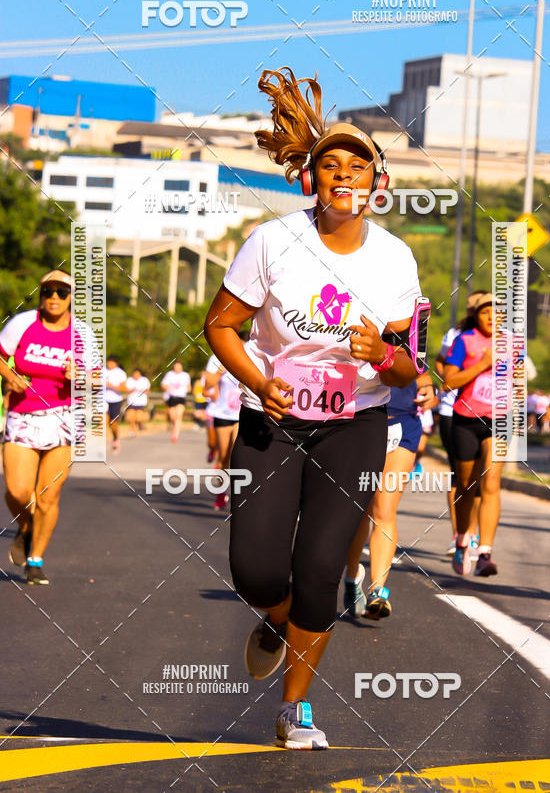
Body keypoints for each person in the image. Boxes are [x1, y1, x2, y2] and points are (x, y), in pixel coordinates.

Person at [204, 67, 422, 750]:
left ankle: (294, 708)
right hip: (273, 418)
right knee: (256, 570)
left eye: (359, 166)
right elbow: (220, 325)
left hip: (355, 423)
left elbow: (412, 368)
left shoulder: (394, 259)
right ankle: (275, 618)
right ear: (312, 179)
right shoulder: (274, 241)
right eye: (332, 165)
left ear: (376, 183)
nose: (345, 176)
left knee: (322, 570)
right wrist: (256, 381)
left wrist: (382, 356)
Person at [0, 269, 100, 585]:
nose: (54, 297)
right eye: (48, 291)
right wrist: (10, 376)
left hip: (64, 419)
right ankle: (25, 525)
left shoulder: (82, 333)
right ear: (41, 294)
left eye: (61, 291)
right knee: (17, 491)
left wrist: (80, 376)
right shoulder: (23, 323)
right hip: (22, 415)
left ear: (71, 297)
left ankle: (35, 561)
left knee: (47, 496)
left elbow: (98, 378)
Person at [344, 373, 437, 619]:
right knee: (361, 510)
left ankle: (377, 590)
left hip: (403, 423)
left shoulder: (412, 333)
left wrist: (428, 389)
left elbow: (422, 370)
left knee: (384, 510)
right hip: (358, 420)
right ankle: (352, 576)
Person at [443, 292, 506, 578]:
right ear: (476, 316)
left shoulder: (512, 344)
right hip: (466, 420)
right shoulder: (463, 341)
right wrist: (482, 363)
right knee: (467, 485)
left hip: (499, 421)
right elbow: (448, 382)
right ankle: (461, 539)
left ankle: (485, 553)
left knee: (491, 482)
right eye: (485, 312)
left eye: (497, 312)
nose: (492, 317)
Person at [435, 291, 487, 556]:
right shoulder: (455, 335)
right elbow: (441, 363)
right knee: (461, 475)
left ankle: (475, 534)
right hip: (452, 410)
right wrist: (454, 383)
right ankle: (459, 533)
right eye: (473, 306)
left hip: (489, 413)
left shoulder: (502, 337)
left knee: (484, 478)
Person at [203, 334, 247, 510]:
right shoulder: (217, 358)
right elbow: (207, 385)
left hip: (241, 414)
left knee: (238, 456)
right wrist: (222, 368)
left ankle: (238, 498)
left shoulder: (250, 356)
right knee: (224, 457)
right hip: (222, 414)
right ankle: (221, 492)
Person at [161, 360, 191, 442]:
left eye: (179, 366)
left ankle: (176, 435)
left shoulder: (186, 375)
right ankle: (173, 429)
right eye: (176, 366)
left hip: (181, 398)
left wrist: (185, 390)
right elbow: (163, 385)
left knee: (179, 415)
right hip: (171, 398)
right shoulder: (169, 374)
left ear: (181, 367)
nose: (177, 368)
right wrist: (169, 388)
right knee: (173, 417)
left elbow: (189, 388)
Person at [105, 356, 127, 453]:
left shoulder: (121, 373)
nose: (109, 364)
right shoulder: (102, 370)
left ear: (116, 363)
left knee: (113, 423)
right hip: (102, 399)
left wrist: (111, 386)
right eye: (108, 362)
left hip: (115, 400)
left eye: (112, 363)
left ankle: (115, 438)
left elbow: (124, 388)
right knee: (103, 421)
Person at [124, 368, 151, 436]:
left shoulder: (144, 380)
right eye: (134, 374)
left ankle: (140, 424)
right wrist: (131, 390)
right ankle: (133, 431)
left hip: (141, 401)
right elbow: (125, 389)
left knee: (138, 417)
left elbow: (148, 390)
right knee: (131, 417)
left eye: (137, 374)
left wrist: (142, 390)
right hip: (131, 401)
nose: (136, 375)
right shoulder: (129, 380)